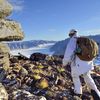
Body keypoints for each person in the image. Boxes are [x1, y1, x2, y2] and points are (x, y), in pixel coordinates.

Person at [62, 29, 100, 98]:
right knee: (87, 76)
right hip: (88, 62)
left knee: (75, 76)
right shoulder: (83, 40)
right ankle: (96, 92)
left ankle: (78, 93)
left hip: (79, 63)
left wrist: (64, 63)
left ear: (71, 34)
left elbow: (68, 54)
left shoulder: (73, 41)